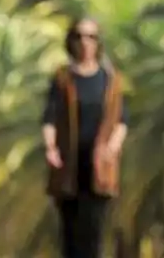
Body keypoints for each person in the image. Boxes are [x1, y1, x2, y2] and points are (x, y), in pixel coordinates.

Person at [42, 16, 129, 258]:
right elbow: (50, 116)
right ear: (71, 41)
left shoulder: (110, 80)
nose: (85, 42)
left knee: (93, 233)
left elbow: (121, 119)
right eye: (79, 36)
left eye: (91, 36)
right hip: (69, 167)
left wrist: (113, 146)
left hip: (99, 168)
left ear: (98, 42)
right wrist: (51, 147)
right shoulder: (62, 78)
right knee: (70, 236)